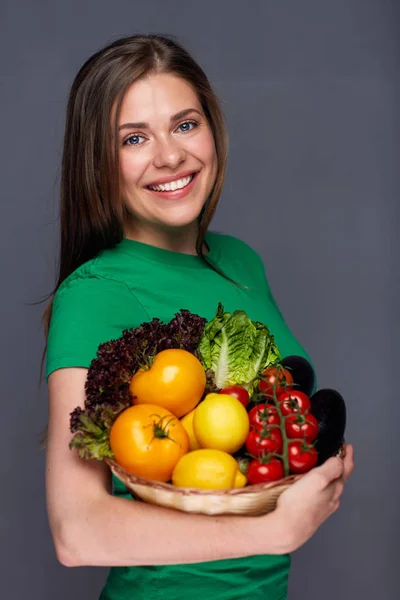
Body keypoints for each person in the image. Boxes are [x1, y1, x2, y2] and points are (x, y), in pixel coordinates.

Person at [44, 34, 354, 600]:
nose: (170, 155)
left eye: (185, 124)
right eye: (134, 138)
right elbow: (77, 530)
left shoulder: (241, 263)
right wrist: (275, 530)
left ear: (212, 129)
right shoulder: (94, 292)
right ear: (98, 161)